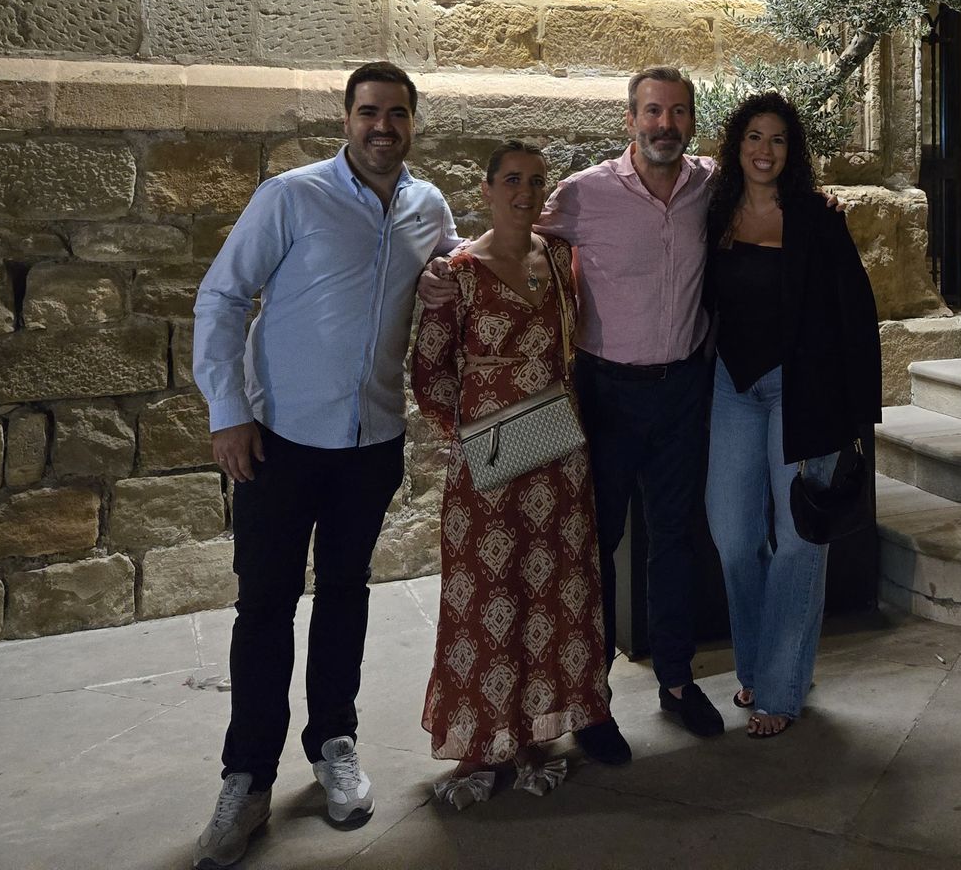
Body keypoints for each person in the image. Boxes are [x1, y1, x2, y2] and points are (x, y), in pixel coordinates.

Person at [190, 62, 459, 870]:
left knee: (346, 595)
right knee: (265, 607)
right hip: (277, 441)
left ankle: (334, 743)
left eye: (398, 114)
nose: (383, 126)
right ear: (346, 119)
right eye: (369, 112)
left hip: (370, 444)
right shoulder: (291, 196)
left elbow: (459, 277)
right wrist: (227, 409)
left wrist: (456, 280)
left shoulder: (427, 206)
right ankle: (247, 778)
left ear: (413, 123)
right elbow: (223, 296)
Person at [419, 66, 726, 763]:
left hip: (683, 388)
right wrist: (444, 263)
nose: (666, 125)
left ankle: (677, 681)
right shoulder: (584, 194)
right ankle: (594, 702)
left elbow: (768, 198)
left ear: (691, 121)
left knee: (676, 540)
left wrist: (819, 200)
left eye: (678, 112)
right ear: (630, 120)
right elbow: (509, 235)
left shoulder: (710, 184)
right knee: (594, 550)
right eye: (653, 111)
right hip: (604, 392)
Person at [411, 142, 612, 807]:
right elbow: (430, 373)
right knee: (485, 594)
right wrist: (473, 440)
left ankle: (532, 735)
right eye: (512, 181)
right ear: (488, 187)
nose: (524, 192)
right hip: (491, 464)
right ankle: (480, 741)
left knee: (549, 593)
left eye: (535, 181)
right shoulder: (459, 274)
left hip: (558, 457)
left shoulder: (558, 259)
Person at [701, 92, 882, 737]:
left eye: (777, 139)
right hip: (732, 384)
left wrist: (856, 415)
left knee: (801, 539)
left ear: (791, 150)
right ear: (736, 144)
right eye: (754, 136)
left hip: (802, 390)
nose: (764, 150)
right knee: (732, 536)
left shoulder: (816, 217)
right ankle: (757, 663)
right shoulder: (713, 209)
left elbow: (856, 313)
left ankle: (779, 688)